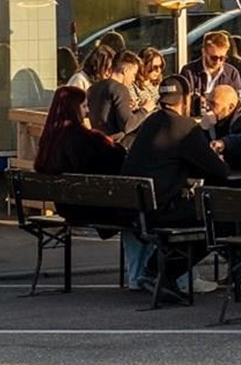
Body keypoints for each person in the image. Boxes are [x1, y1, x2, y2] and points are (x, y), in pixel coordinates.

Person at [121, 75, 230, 296]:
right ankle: (161, 273)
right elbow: (220, 172)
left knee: (204, 214)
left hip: (137, 211)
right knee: (219, 217)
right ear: (186, 99)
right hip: (161, 212)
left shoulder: (150, 122)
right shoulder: (185, 126)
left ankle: (156, 272)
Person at [34, 85, 124, 177]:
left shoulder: (49, 139)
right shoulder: (80, 138)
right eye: (84, 106)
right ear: (73, 108)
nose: (87, 110)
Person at [87, 50, 148, 145]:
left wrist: (130, 110)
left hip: (98, 143)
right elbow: (127, 125)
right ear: (125, 71)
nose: (133, 79)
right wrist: (145, 109)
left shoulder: (93, 88)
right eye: (134, 74)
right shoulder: (120, 89)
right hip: (117, 144)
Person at [180, 31, 241, 101]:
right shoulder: (189, 72)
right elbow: (182, 101)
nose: (218, 61)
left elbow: (236, 102)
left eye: (222, 58)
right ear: (203, 52)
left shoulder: (232, 74)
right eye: (214, 58)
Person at [134, 47, 166, 114]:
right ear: (143, 65)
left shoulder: (161, 85)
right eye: (155, 67)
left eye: (161, 66)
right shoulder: (133, 86)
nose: (158, 70)